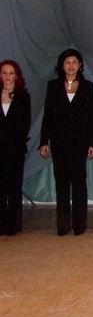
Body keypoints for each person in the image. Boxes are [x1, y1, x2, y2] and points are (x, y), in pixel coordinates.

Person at [39, 49, 93, 236]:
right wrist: (44, 141)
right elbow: (47, 115)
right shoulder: (53, 86)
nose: (71, 66)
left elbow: (92, 118)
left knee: (79, 182)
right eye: (67, 62)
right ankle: (63, 225)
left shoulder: (88, 87)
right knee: (62, 183)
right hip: (59, 142)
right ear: (61, 66)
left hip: (80, 142)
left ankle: (80, 225)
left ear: (80, 65)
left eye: (74, 62)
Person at [0, 60, 31, 235]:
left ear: (17, 76)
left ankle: (13, 225)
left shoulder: (23, 97)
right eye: (4, 73)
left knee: (13, 187)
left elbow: (24, 124)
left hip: (15, 150)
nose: (7, 76)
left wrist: (13, 143)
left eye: (11, 73)